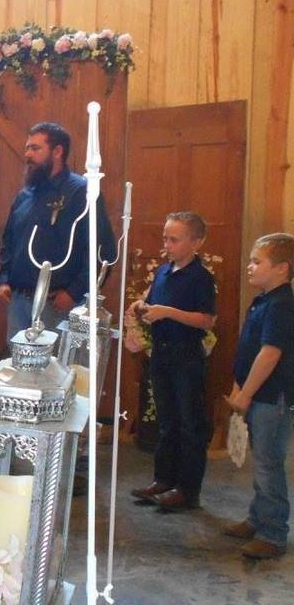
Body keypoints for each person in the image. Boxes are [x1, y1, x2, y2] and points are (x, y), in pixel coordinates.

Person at [129, 212, 216, 511]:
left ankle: (187, 489)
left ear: (196, 242)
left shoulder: (201, 277)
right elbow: (153, 302)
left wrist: (167, 312)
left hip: (186, 356)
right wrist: (143, 307)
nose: (167, 244)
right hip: (162, 354)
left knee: (189, 424)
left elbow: (206, 319)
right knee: (167, 423)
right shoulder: (163, 272)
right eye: (165, 238)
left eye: (174, 239)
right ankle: (164, 479)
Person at [0, 122, 117, 340]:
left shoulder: (83, 193)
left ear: (58, 151)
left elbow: (102, 252)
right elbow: (9, 241)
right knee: (18, 369)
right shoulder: (25, 195)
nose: (28, 154)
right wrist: (5, 278)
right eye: (27, 148)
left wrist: (74, 293)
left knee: (55, 371)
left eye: (35, 148)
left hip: (57, 304)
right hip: (19, 302)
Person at [224, 233, 294, 559]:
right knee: (261, 461)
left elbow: (269, 353)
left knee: (269, 464)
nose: (249, 266)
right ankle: (257, 517)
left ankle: (273, 533)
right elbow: (250, 348)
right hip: (257, 395)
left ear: (282, 269)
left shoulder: (282, 305)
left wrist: (247, 392)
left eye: (256, 261)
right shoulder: (264, 299)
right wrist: (240, 386)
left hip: (271, 398)